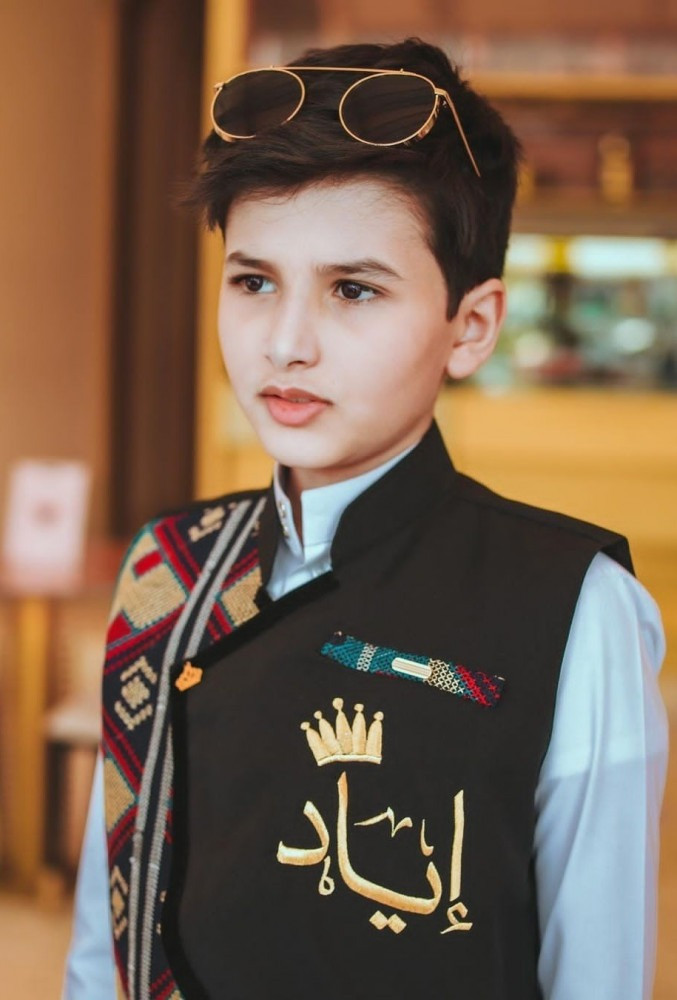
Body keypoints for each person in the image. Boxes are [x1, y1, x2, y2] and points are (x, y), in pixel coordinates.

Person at [63, 38, 668, 1000]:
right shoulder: (167, 567)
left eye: (353, 290)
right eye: (253, 281)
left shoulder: (574, 608)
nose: (285, 343)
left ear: (471, 326)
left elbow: (593, 975)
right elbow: (113, 940)